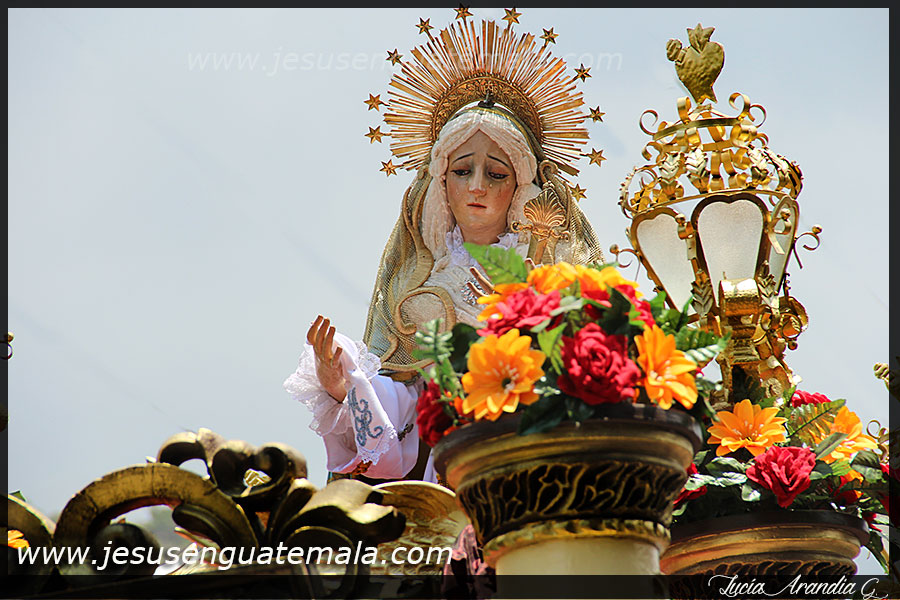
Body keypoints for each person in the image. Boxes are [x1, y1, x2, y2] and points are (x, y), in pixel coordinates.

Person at [284, 103, 604, 485]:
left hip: (535, 453)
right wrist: (345, 387)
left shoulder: (552, 273)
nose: (477, 186)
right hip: (451, 466)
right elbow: (406, 404)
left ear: (519, 185)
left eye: (496, 174)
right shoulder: (413, 287)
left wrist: (526, 325)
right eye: (462, 171)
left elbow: (587, 367)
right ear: (442, 182)